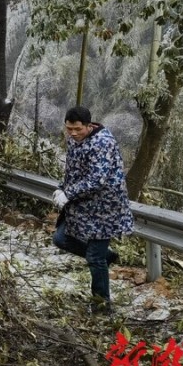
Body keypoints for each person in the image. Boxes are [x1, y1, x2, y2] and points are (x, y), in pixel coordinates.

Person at [51, 106, 133, 314]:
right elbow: (73, 170)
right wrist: (63, 188)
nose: (73, 133)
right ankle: (107, 256)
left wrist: (69, 194)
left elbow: (97, 179)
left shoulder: (102, 143)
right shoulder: (73, 140)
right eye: (69, 129)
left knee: (94, 258)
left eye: (77, 129)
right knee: (60, 238)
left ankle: (102, 305)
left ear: (89, 125)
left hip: (106, 207)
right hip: (83, 204)